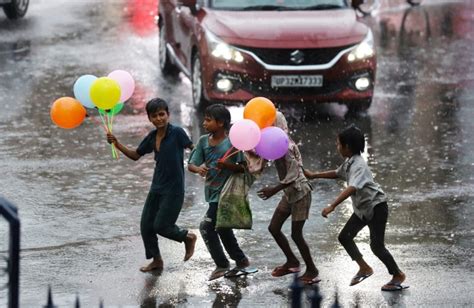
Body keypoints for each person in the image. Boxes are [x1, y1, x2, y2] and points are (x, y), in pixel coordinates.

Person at [303, 125, 406, 291]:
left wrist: (332, 206)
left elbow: (352, 188)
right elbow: (337, 173)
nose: (337, 147)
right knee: (344, 237)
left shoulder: (359, 165)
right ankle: (364, 267)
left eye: (338, 144)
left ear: (347, 147)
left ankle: (397, 274)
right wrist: (313, 175)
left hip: (376, 207)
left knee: (377, 246)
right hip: (363, 209)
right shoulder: (350, 162)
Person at [106, 97, 197, 272]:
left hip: (174, 189)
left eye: (162, 114)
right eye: (154, 116)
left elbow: (193, 148)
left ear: (168, 114)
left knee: (161, 226)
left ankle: (187, 237)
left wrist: (201, 164)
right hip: (157, 187)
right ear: (149, 118)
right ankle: (157, 260)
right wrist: (116, 143)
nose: (159, 119)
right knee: (146, 225)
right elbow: (135, 155)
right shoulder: (152, 136)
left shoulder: (177, 133)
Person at [188, 104, 250, 281]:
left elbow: (243, 169)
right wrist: (198, 169)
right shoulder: (203, 142)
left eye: (208, 120)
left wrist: (227, 166)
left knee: (207, 226)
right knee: (222, 228)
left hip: (227, 195)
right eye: (205, 119)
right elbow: (191, 164)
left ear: (221, 123)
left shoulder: (233, 144)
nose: (204, 123)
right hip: (212, 192)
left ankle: (222, 264)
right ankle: (241, 259)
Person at [256, 111, 320, 285]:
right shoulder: (274, 143)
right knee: (274, 228)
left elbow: (293, 175)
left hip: (300, 192)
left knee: (296, 235)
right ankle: (292, 261)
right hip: (290, 193)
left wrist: (273, 190)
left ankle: (312, 270)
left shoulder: (285, 146)